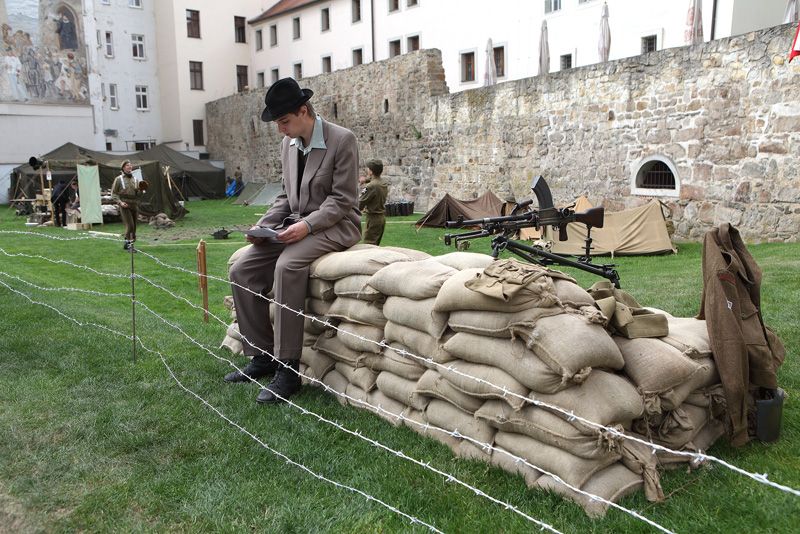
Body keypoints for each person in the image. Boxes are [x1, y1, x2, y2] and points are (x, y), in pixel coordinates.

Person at [223, 77, 361, 404]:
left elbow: (342, 200)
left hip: (336, 225)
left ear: (303, 111)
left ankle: (288, 370)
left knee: (287, 266)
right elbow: (286, 197)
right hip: (294, 225)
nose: (280, 130)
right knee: (242, 270)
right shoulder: (288, 145)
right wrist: (262, 227)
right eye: (277, 123)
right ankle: (262, 356)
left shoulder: (342, 140)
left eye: (284, 121)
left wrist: (308, 226)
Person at [111, 160, 142, 250]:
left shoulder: (135, 179)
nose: (130, 166)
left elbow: (138, 195)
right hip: (125, 204)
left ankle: (127, 242)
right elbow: (114, 193)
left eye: (130, 165)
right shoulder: (118, 179)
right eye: (127, 165)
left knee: (134, 226)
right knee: (130, 225)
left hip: (134, 204)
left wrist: (141, 189)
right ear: (123, 168)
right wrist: (120, 202)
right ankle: (129, 245)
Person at [358, 159, 389, 245]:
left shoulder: (371, 186)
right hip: (381, 218)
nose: (367, 170)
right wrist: (365, 180)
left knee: (369, 246)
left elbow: (360, 204)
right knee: (375, 245)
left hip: (373, 219)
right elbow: (375, 181)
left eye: (368, 168)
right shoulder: (383, 182)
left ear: (371, 171)